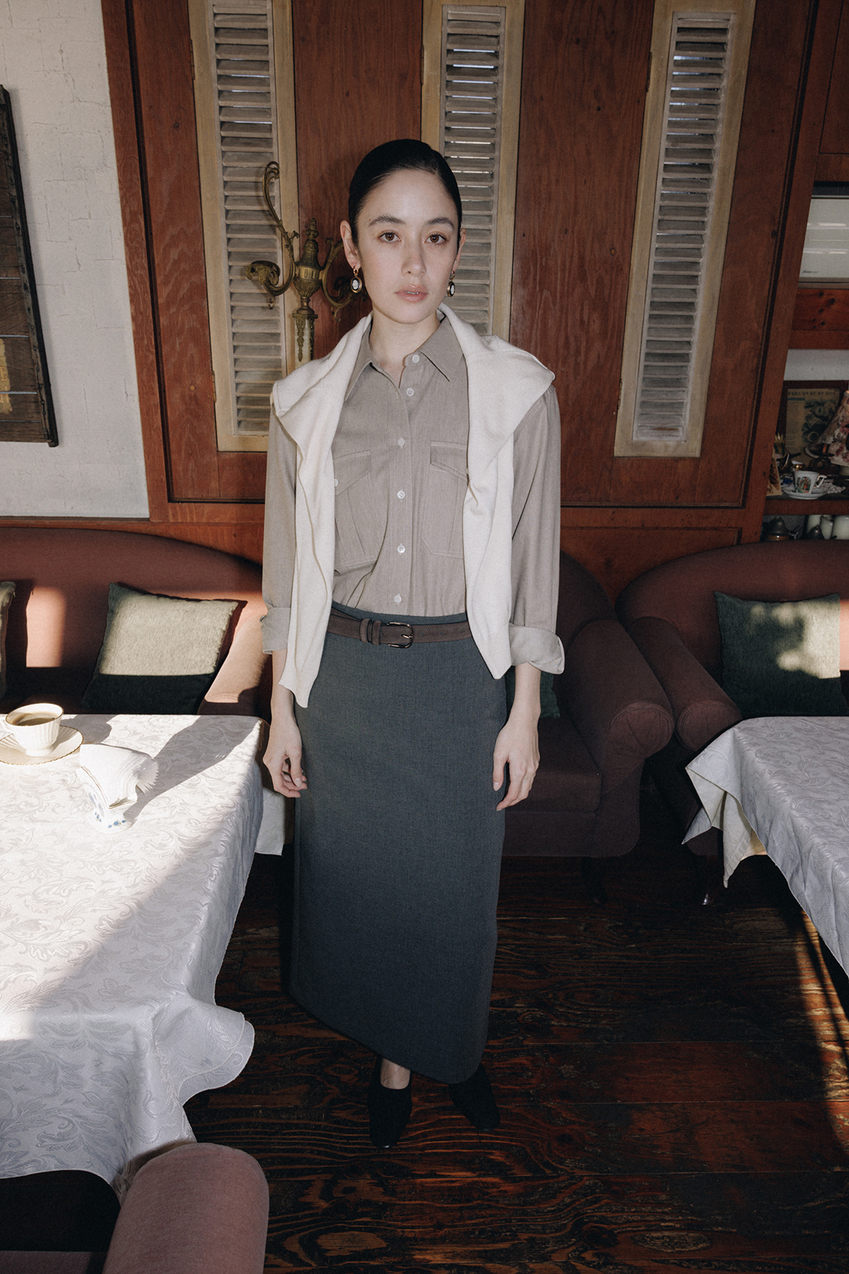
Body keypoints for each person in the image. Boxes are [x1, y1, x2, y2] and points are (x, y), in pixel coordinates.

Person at [261, 139, 563, 1149]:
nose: (413, 261)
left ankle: (453, 1050)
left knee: (453, 898)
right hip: (343, 685)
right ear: (350, 249)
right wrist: (281, 711)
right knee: (361, 894)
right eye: (388, 236)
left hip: (456, 684)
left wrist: (524, 709)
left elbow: (531, 563)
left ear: (458, 248)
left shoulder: (517, 393)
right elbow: (284, 576)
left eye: (435, 236)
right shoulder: (304, 403)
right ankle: (397, 1060)